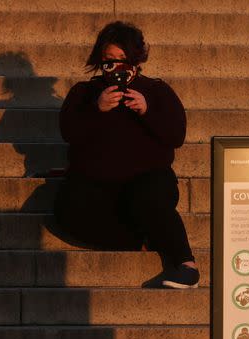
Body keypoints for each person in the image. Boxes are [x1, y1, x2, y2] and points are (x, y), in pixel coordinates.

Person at [54, 21, 199, 288]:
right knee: (66, 208)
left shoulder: (156, 90)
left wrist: (148, 110)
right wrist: (96, 110)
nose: (116, 68)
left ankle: (185, 264)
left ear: (136, 60)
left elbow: (175, 136)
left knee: (151, 198)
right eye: (109, 60)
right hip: (96, 184)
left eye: (123, 60)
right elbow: (69, 132)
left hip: (146, 180)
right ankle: (139, 240)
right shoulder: (84, 93)